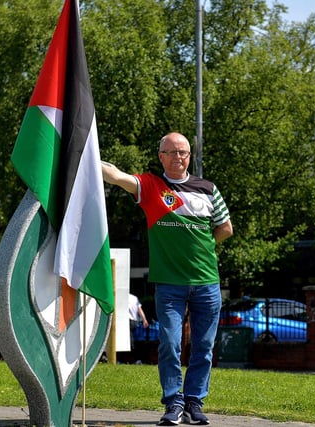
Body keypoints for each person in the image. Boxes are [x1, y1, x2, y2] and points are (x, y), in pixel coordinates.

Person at [102, 132, 233, 426]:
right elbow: (115, 175)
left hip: (207, 282)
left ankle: (194, 403)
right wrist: (82, 156)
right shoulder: (150, 186)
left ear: (190, 156)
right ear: (160, 156)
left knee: (204, 346)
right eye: (171, 152)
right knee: (170, 344)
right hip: (169, 284)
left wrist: (202, 247)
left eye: (183, 152)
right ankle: (173, 402)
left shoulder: (208, 189)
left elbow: (225, 228)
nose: (178, 157)